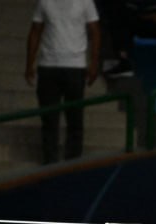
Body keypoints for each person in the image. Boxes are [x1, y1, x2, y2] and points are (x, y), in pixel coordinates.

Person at [26, 0, 102, 165]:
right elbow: (35, 30)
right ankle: (50, 162)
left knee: (74, 119)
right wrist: (29, 63)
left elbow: (95, 30)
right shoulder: (45, 2)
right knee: (49, 119)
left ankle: (72, 163)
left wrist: (94, 63)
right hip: (49, 66)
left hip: (75, 66)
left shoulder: (85, 2)